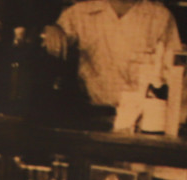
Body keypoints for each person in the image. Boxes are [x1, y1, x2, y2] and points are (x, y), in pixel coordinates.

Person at [43, 0, 181, 109]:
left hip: (144, 115)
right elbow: (52, 44)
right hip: (93, 113)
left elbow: (177, 76)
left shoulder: (160, 16)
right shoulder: (79, 13)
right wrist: (52, 29)